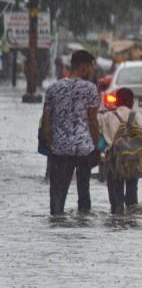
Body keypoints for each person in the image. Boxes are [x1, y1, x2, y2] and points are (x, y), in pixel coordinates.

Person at [42, 50, 100, 215]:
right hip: (83, 148)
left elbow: (46, 120)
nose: (92, 71)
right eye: (90, 67)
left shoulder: (54, 87)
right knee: (84, 193)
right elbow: (93, 120)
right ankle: (82, 227)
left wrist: (50, 143)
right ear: (83, 67)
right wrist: (97, 146)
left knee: (57, 195)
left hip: (60, 148)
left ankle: (57, 221)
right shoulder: (90, 89)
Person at [98, 88, 142, 214]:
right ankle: (132, 219)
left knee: (115, 192)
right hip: (132, 157)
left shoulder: (107, 116)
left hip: (113, 157)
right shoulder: (134, 115)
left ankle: (116, 217)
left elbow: (98, 132)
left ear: (117, 100)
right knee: (131, 190)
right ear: (132, 101)